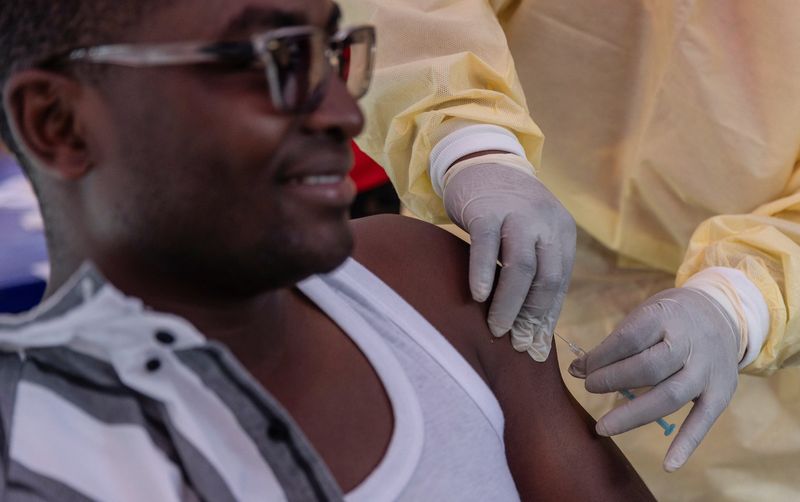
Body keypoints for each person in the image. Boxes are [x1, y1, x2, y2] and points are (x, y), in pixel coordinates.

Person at [0, 0, 654, 499]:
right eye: (270, 61)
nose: (344, 111)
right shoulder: (35, 455)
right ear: (59, 122)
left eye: (329, 52)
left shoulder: (423, 290)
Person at [339, 0, 800, 499]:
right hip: (493, 228)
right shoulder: (413, 265)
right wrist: (470, 143)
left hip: (751, 405)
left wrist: (742, 302)